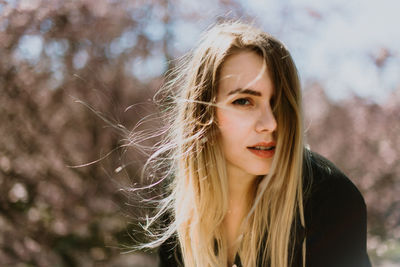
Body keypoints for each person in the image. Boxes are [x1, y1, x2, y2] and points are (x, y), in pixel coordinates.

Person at [135, 21, 371, 267]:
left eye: (279, 102)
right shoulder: (180, 202)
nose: (270, 124)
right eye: (244, 101)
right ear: (203, 113)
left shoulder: (330, 200)